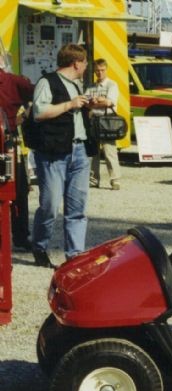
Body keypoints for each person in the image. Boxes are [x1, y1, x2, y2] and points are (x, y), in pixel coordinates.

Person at [30, 44, 91, 269]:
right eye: (84, 62)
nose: (86, 66)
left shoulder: (77, 85)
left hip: (79, 150)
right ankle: (39, 246)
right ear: (76, 63)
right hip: (54, 153)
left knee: (77, 207)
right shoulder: (47, 82)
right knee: (50, 204)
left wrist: (89, 107)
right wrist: (70, 104)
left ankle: (74, 255)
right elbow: (39, 113)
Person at [0, 61, 34, 251]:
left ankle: (19, 235)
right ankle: (18, 235)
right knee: (15, 189)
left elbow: (39, 93)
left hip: (7, 142)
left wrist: (25, 115)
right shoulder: (13, 81)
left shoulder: (13, 82)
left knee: (17, 189)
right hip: (7, 142)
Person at [85, 58, 122, 190]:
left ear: (106, 70)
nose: (100, 73)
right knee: (93, 152)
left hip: (107, 121)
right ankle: (94, 180)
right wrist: (99, 101)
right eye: (97, 70)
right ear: (94, 71)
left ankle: (115, 180)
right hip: (93, 121)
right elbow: (85, 103)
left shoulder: (112, 85)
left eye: (102, 70)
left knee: (109, 151)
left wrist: (96, 102)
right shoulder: (90, 87)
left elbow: (109, 102)